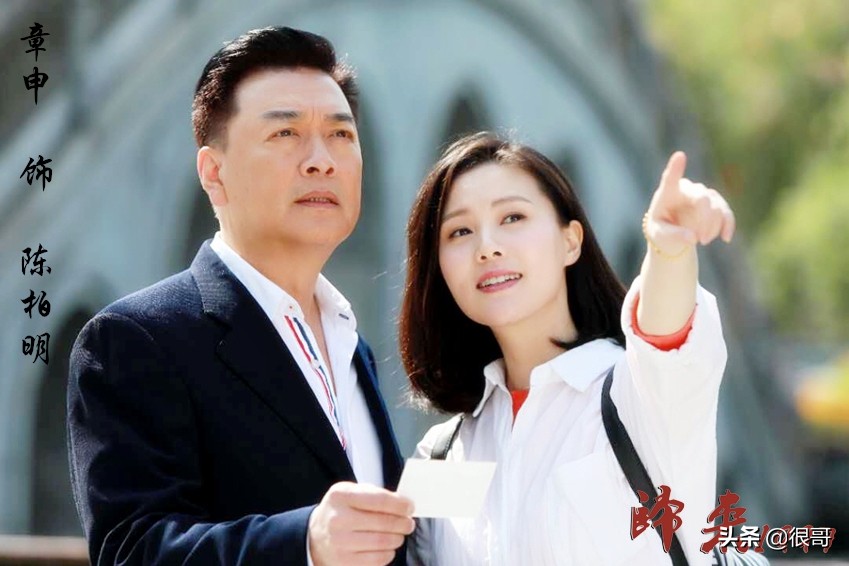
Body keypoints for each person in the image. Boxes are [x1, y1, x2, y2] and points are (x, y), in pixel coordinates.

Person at [67, 26, 413, 566]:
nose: (321, 160)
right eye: (285, 133)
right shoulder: (133, 340)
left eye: (341, 134)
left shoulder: (352, 343)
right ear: (214, 173)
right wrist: (305, 542)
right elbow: (132, 550)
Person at [400, 132, 736, 565]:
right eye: (460, 231)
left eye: (513, 217)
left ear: (570, 241)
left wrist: (668, 250)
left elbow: (666, 344)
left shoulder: (634, 398)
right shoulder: (442, 455)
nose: (487, 247)